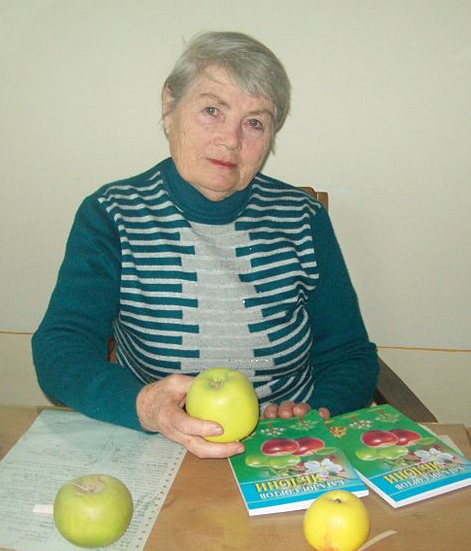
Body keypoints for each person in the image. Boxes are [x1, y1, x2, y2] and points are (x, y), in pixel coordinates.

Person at [32, 31, 378, 459]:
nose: (231, 140)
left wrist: (316, 414)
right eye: (212, 110)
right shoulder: (111, 214)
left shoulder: (303, 217)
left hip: (288, 451)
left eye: (254, 122)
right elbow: (60, 348)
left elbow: (349, 353)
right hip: (159, 445)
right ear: (169, 106)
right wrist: (145, 406)